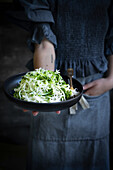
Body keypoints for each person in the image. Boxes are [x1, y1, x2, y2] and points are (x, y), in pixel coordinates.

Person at [9, 0, 113, 169]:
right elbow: (44, 42)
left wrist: (111, 80)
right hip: (54, 83)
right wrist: (45, 91)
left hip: (95, 90)